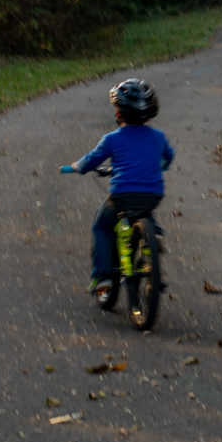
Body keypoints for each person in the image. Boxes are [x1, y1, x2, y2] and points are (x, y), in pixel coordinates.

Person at [67, 78, 174, 295]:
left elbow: (92, 160)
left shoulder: (112, 139)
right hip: (152, 195)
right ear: (150, 112)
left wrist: (77, 166)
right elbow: (168, 158)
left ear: (118, 113)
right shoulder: (158, 137)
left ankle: (104, 276)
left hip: (122, 196)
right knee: (144, 211)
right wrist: (157, 165)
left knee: (102, 227)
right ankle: (154, 235)